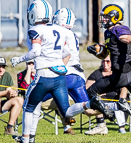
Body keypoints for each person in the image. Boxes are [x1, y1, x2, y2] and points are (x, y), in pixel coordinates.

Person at [10, 1, 113, 142]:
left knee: (29, 104)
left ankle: (27, 138)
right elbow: (66, 52)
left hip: (49, 74)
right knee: (66, 111)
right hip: (63, 76)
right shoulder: (62, 31)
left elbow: (36, 51)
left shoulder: (36, 30)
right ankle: (91, 104)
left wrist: (18, 59)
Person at [85, 55, 131, 135]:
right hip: (102, 98)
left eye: (108, 61)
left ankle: (122, 127)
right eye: (103, 61)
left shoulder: (118, 73)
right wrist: (97, 94)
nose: (105, 64)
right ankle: (101, 124)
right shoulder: (96, 74)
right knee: (98, 101)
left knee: (122, 101)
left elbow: (124, 87)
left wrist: (121, 99)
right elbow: (87, 89)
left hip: (116, 97)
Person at [0, 57, 24, 135]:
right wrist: (5, 92)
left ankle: (9, 128)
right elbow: (6, 92)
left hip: (2, 104)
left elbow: (8, 92)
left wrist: (12, 94)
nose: (1, 69)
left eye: (3, 67)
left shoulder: (7, 75)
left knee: (19, 100)